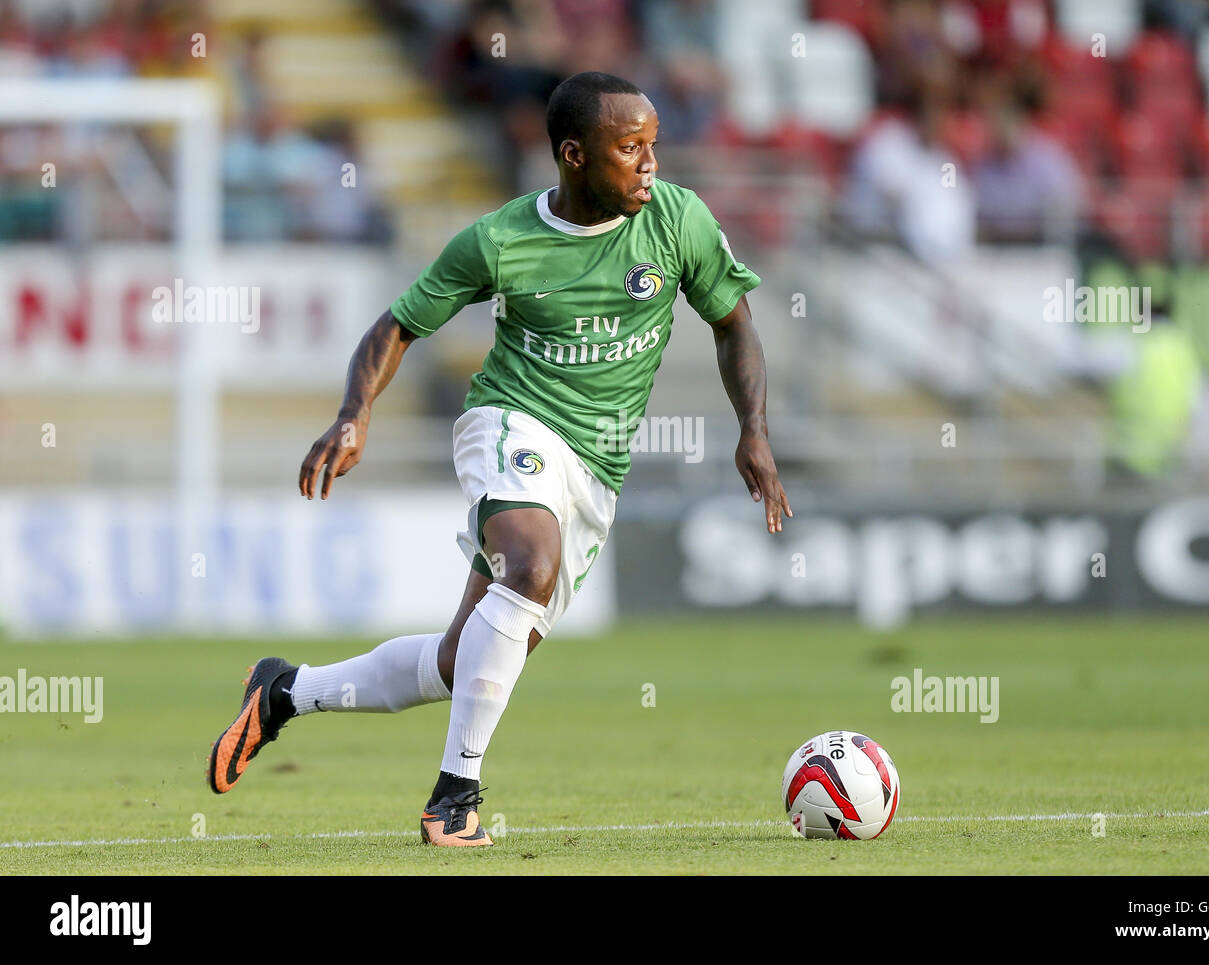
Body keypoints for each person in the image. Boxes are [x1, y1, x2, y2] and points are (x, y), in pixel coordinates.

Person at [205, 71, 793, 847]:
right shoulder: (502, 240)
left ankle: (287, 691)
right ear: (574, 155)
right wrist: (354, 414)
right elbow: (398, 324)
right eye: (630, 148)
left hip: (597, 470)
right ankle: (456, 796)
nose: (650, 164)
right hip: (509, 421)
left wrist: (752, 426)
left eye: (653, 146)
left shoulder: (678, 221)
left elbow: (733, 322)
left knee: (461, 661)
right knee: (531, 563)